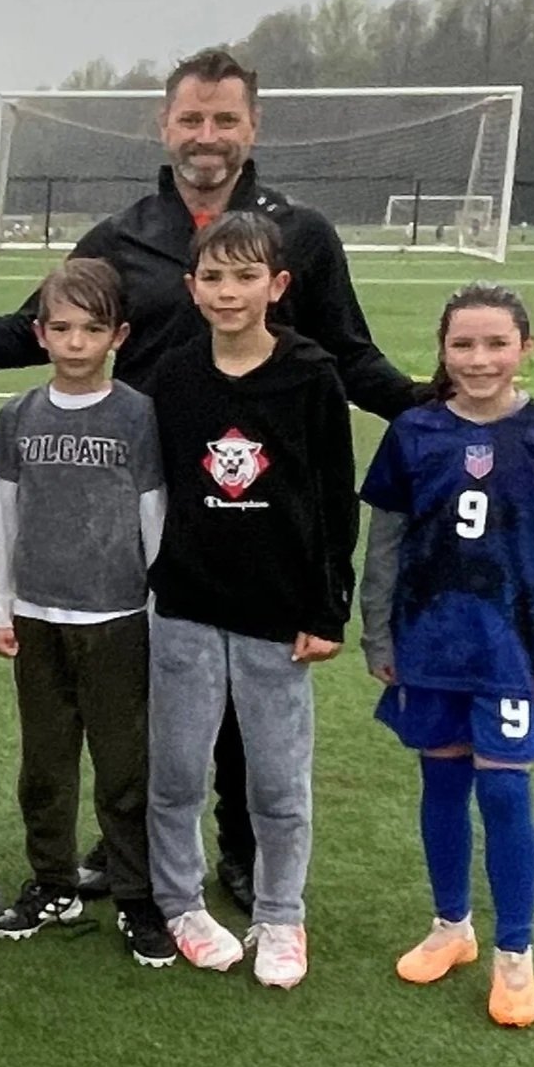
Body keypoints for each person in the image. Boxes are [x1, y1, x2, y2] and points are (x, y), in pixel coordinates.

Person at [0, 48, 417, 912]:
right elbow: (40, 327)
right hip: (138, 500)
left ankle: (245, 850)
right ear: (163, 126)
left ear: (252, 128)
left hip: (252, 503)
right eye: (191, 118)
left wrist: (429, 405)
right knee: (152, 686)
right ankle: (129, 839)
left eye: (224, 119)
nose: (206, 136)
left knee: (247, 696)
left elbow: (349, 353)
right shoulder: (121, 236)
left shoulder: (303, 235)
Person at [360, 285, 534, 1028]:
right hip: (430, 643)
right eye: (463, 344)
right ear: (442, 351)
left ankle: (515, 955)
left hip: (511, 651)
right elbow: (386, 545)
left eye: (496, 343)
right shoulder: (413, 433)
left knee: (503, 794)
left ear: (526, 347)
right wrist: (379, 634)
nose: (479, 358)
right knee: (440, 783)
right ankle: (452, 926)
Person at [141, 210, 357, 990]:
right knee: (176, 772)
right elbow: (152, 486)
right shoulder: (173, 376)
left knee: (276, 779)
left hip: (277, 616)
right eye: (213, 276)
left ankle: (281, 912)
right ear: (191, 285)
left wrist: (328, 605)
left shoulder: (310, 375)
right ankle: (181, 902)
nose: (228, 291)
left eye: (244, 275)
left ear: (278, 284)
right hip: (187, 607)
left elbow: (336, 496)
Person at [0, 257, 177, 968]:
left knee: (125, 766)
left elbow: (155, 511)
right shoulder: (18, 415)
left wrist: (159, 608)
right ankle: (53, 880)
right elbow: (3, 516)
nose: (74, 342)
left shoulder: (137, 414)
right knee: (46, 762)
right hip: (37, 616)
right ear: (39, 332)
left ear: (118, 334)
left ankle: (134, 892)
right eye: (60, 327)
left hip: (119, 617)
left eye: (92, 328)